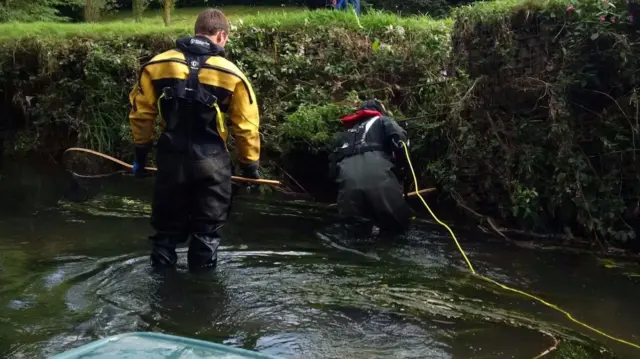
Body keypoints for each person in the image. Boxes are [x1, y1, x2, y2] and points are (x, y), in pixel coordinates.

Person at [128, 9, 260, 271]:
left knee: (165, 233)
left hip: (170, 160)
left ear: (197, 30)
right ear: (221, 35)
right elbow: (245, 127)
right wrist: (250, 168)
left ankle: (162, 291)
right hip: (212, 164)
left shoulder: (157, 65)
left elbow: (141, 115)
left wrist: (140, 158)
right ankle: (202, 296)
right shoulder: (233, 74)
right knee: (207, 232)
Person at [328, 100, 411, 234]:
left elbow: (332, 169)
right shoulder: (383, 121)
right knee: (398, 231)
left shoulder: (344, 134)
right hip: (380, 181)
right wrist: (401, 169)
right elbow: (400, 140)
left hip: (348, 189)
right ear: (379, 111)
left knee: (354, 234)